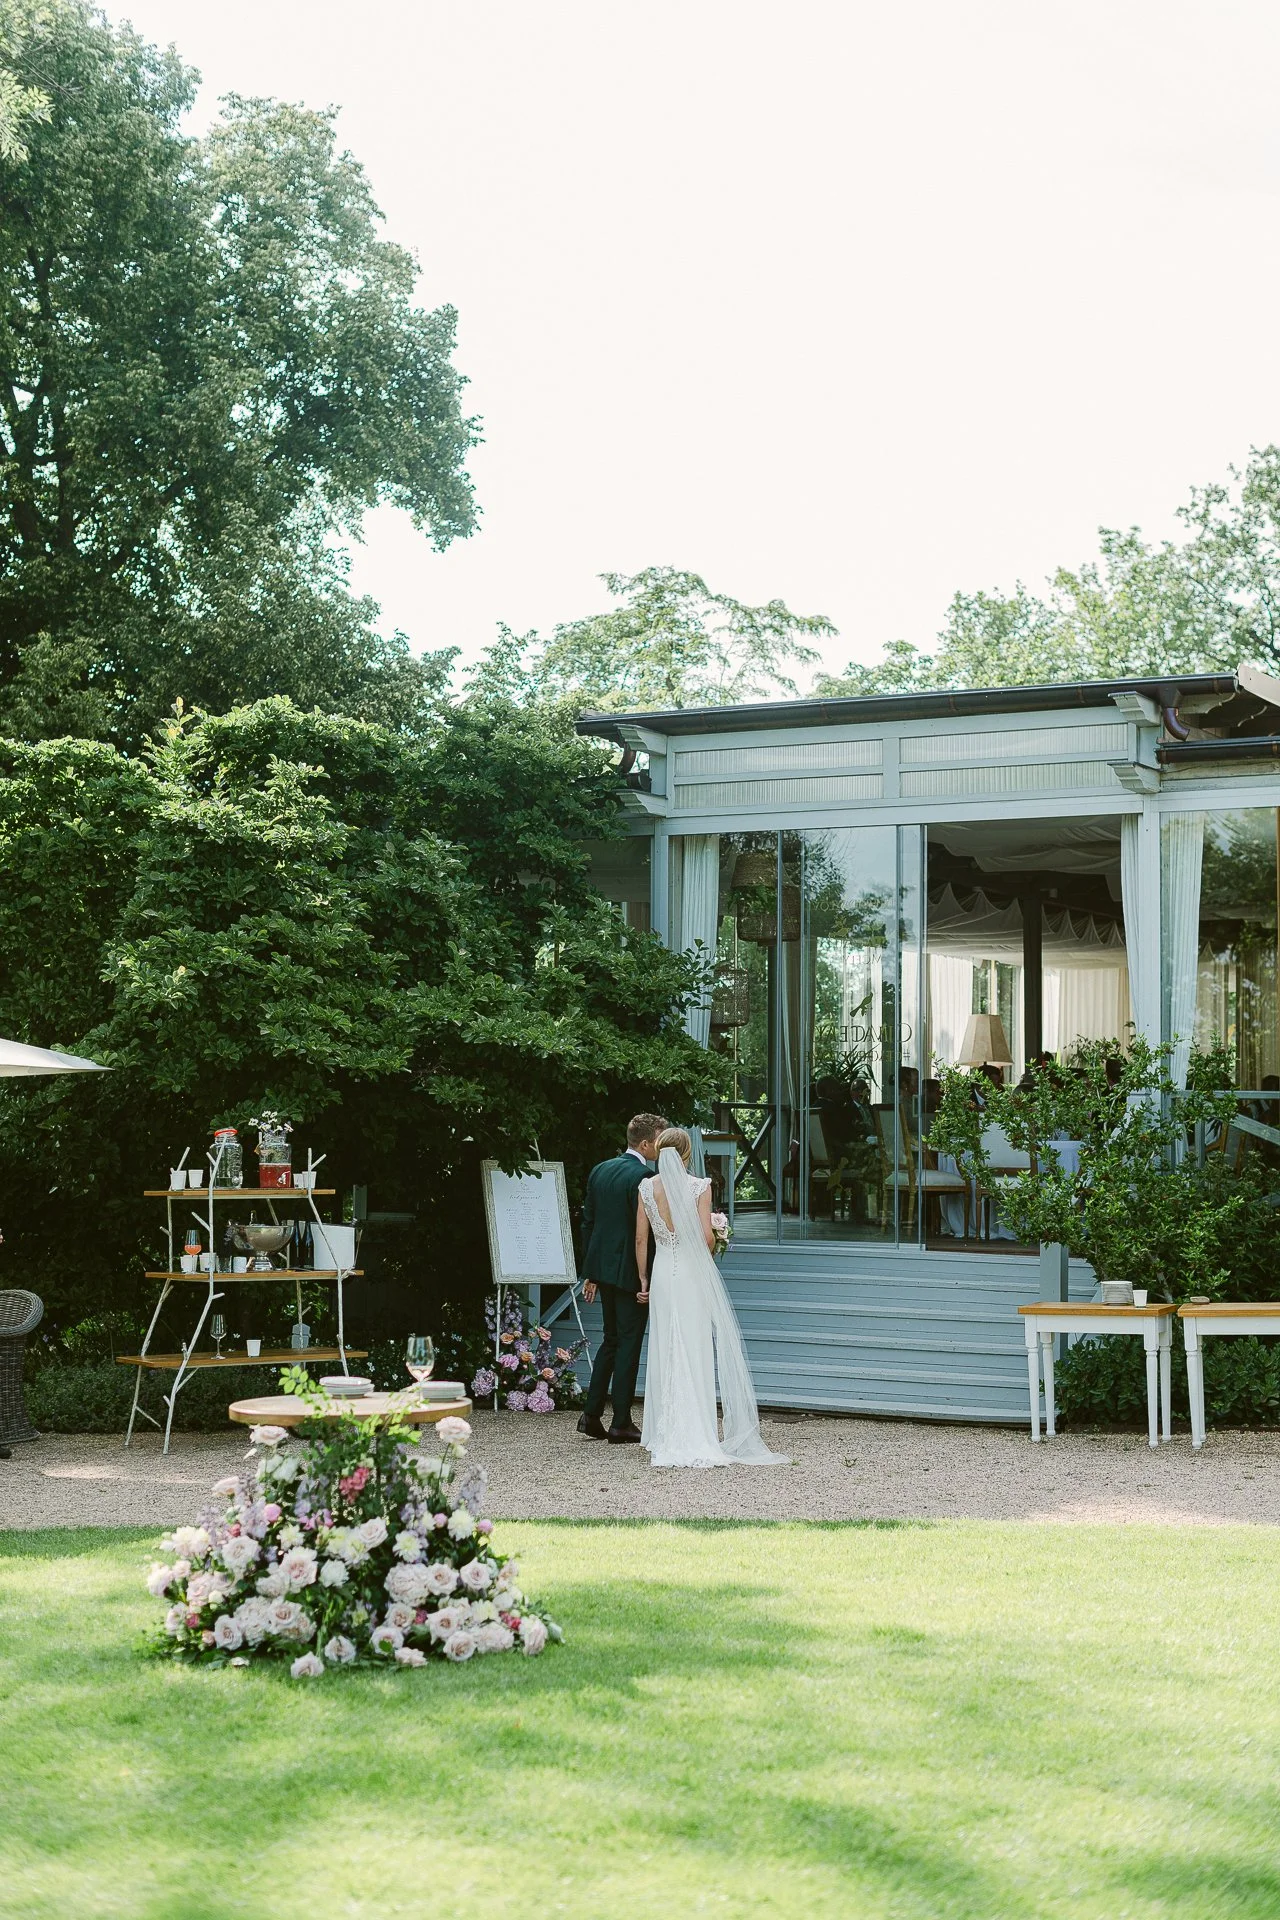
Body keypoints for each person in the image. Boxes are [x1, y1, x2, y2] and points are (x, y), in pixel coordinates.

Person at [636, 1127, 789, 1470]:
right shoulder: (699, 1186)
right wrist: (711, 1250)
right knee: (694, 1345)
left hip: (662, 1273)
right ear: (687, 1153)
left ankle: (663, 1431)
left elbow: (640, 1240)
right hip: (690, 1273)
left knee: (665, 1344)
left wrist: (643, 1278)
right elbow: (706, 1237)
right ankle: (697, 1430)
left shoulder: (646, 1188)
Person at [577, 1113, 668, 1444]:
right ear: (644, 1144)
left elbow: (589, 1223)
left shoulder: (600, 1170)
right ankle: (621, 1421)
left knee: (611, 1339)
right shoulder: (645, 1177)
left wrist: (590, 1273)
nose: (662, 1148)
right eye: (659, 1141)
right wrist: (649, 1277)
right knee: (628, 1343)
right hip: (631, 1270)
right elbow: (647, 1234)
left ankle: (590, 1414)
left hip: (603, 1269)